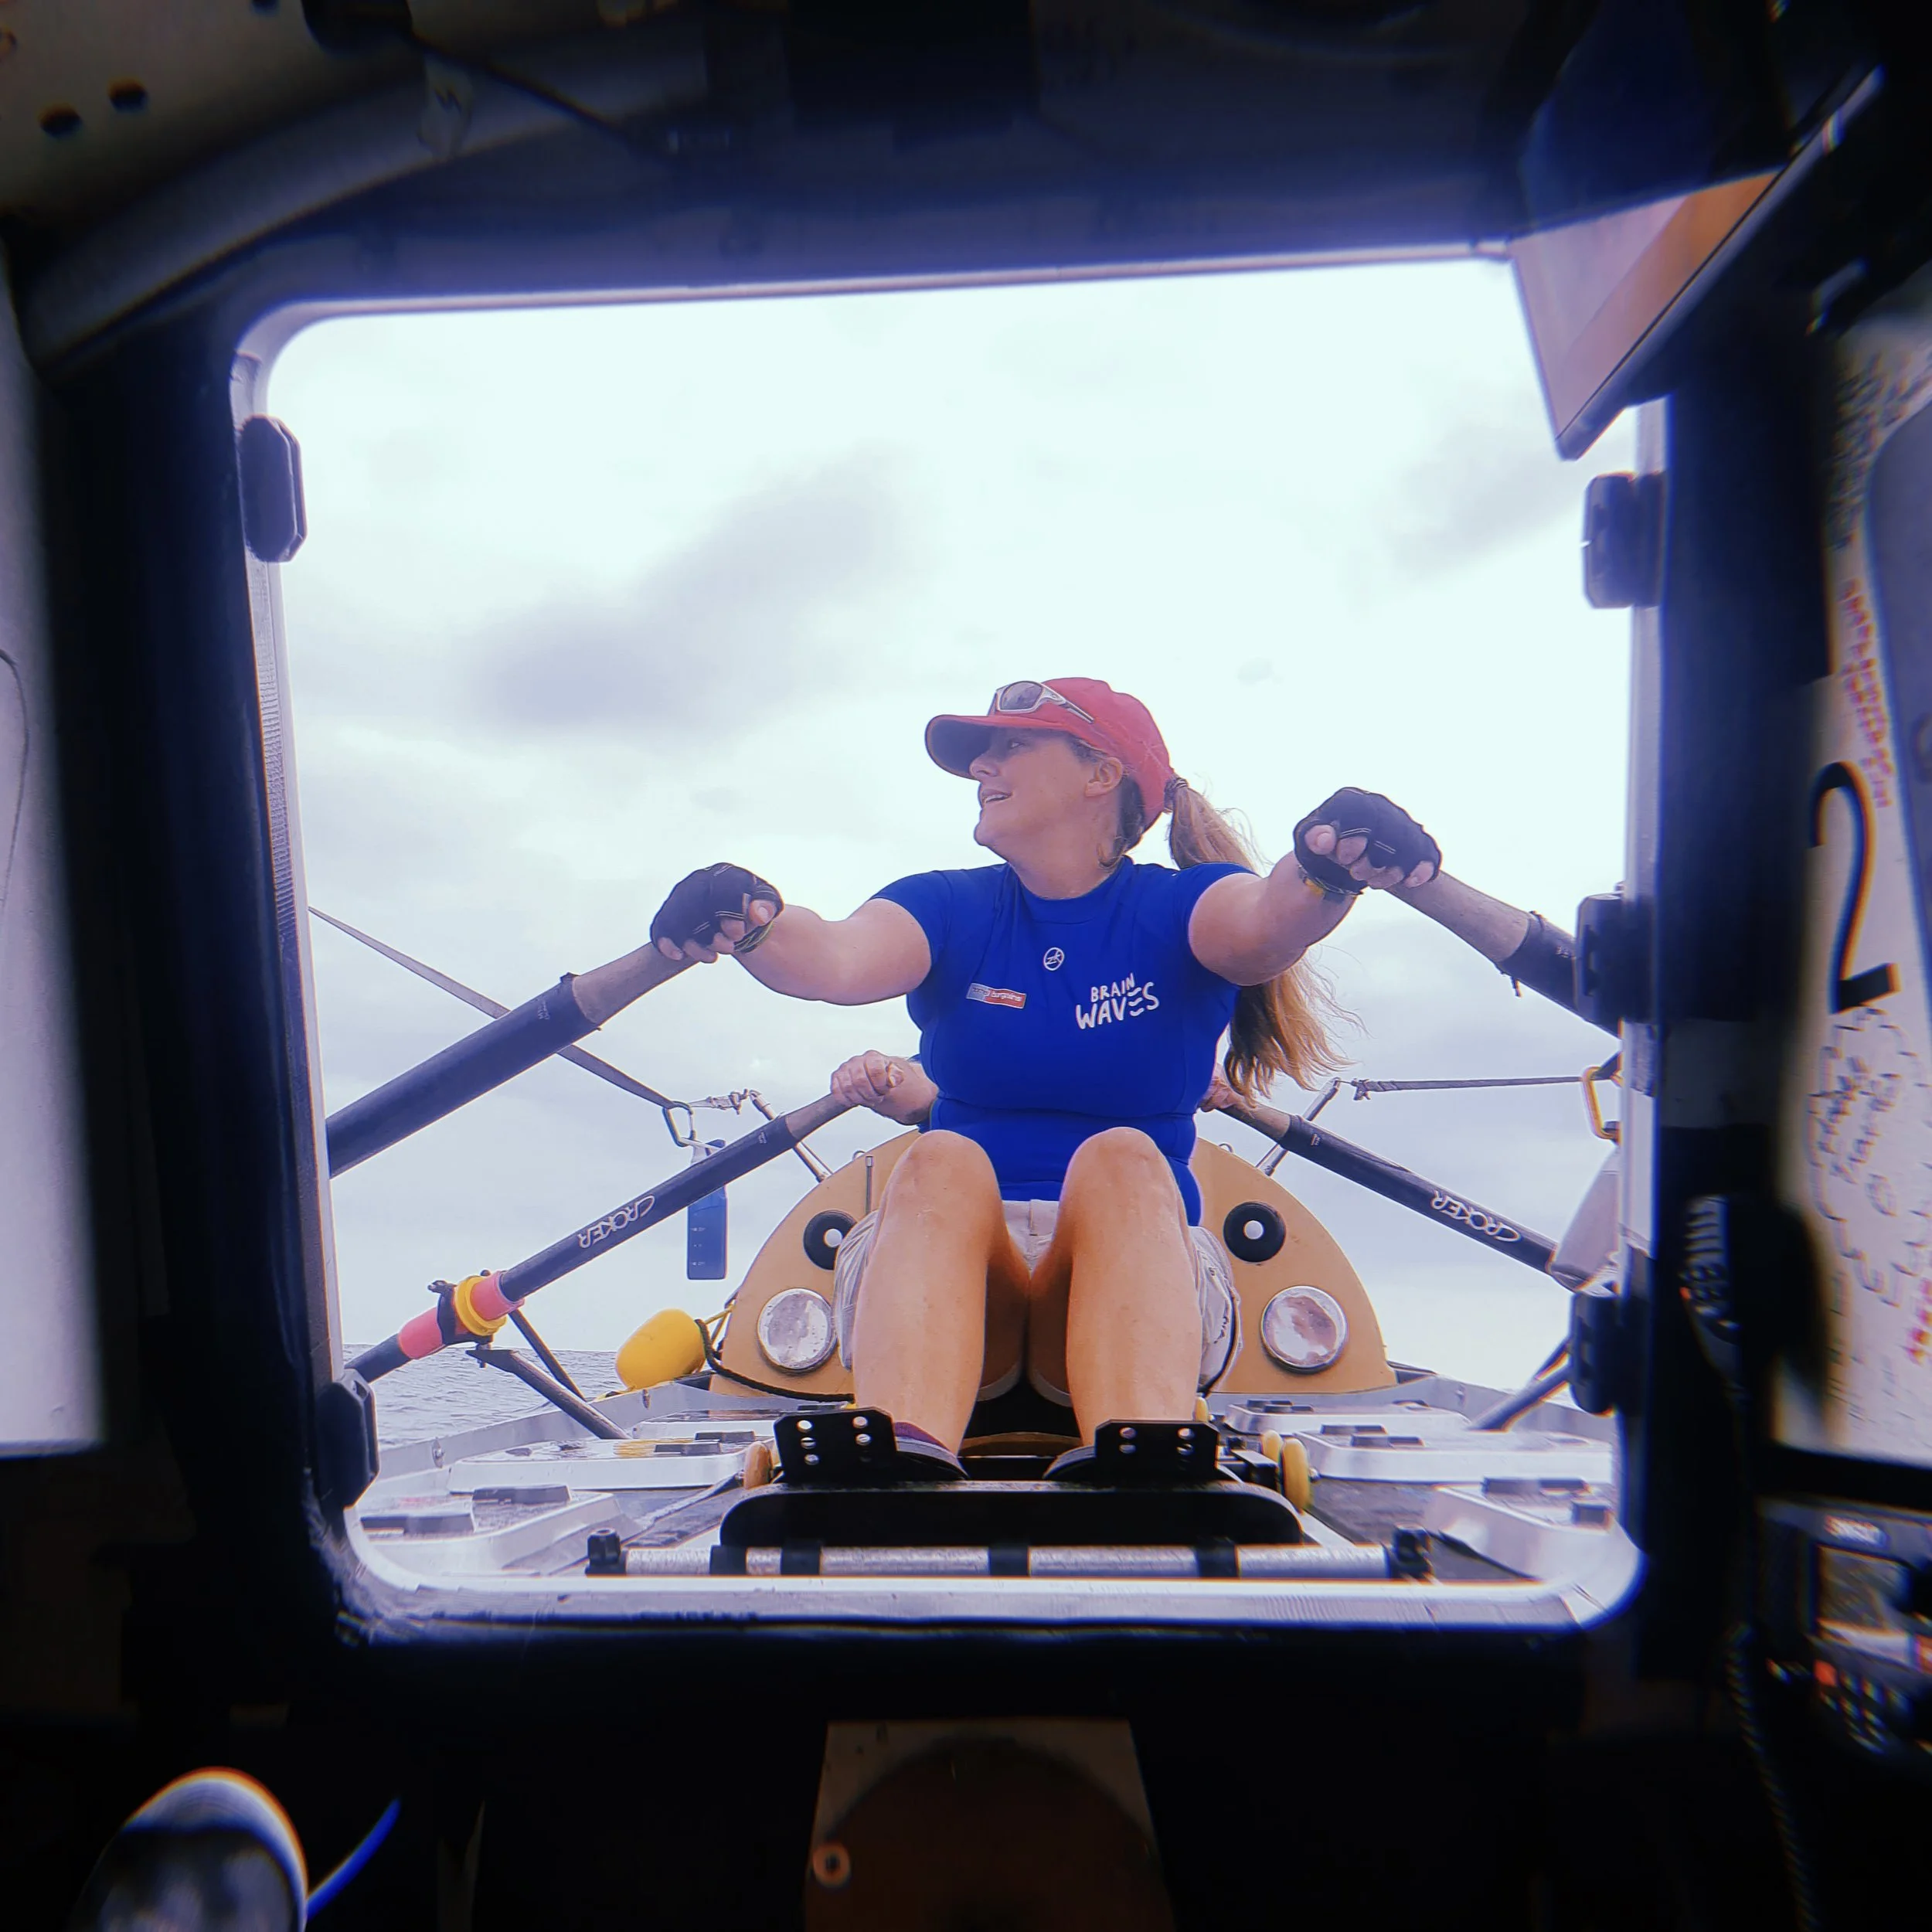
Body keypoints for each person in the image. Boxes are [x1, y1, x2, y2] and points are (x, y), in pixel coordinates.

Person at [647, 678, 1439, 1469]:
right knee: (940, 1158)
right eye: (984, 751)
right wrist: (751, 923)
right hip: (957, 1270)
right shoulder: (947, 906)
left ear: (1100, 775)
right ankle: (898, 1454)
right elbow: (833, 957)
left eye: (1011, 745)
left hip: (1137, 1260)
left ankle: (1144, 1456)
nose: (983, 767)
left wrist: (1323, 872)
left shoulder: (1180, 906)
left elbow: (1267, 924)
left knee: (1124, 1157)